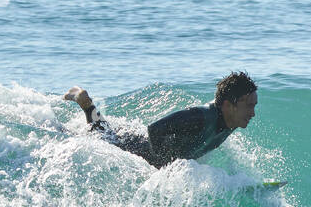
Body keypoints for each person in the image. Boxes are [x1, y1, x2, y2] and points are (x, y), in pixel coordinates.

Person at [63, 71, 257, 168]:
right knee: (102, 134)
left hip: (142, 149)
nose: (253, 113)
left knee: (106, 130)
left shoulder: (231, 120)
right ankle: (84, 102)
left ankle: (87, 104)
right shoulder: (199, 117)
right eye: (249, 106)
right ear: (228, 105)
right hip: (131, 147)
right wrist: (163, 169)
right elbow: (154, 129)